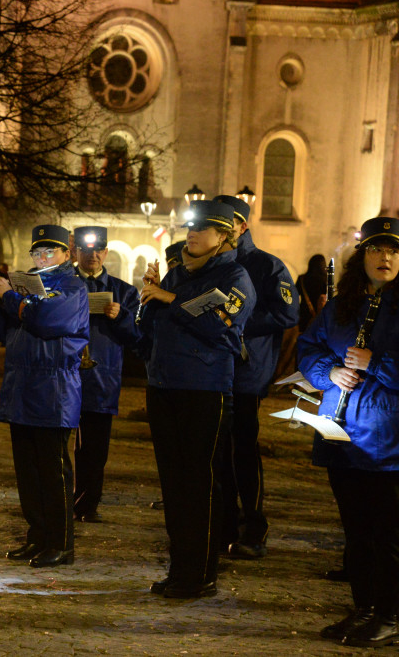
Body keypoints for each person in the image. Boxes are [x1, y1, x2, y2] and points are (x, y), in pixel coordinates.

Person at [137, 198, 254, 599]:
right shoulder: (175, 275)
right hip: (165, 386)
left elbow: (221, 326)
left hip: (204, 390)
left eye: (202, 229)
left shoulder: (235, 276)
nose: (192, 234)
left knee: (200, 484)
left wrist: (169, 300)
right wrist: (148, 296)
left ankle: (201, 573)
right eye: (190, 228)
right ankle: (181, 568)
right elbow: (149, 331)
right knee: (173, 484)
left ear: (224, 237)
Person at [297, 216, 399, 647]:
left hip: (388, 443)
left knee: (387, 534)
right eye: (377, 249)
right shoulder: (342, 304)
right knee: (356, 533)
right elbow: (308, 346)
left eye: (394, 251)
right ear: (363, 256)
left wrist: (373, 362)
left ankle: (391, 614)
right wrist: (331, 370)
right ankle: (364, 608)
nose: (386, 257)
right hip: (341, 435)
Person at [0, 224, 89, 568]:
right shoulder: (30, 284)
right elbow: (14, 335)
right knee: (28, 472)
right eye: (37, 253)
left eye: (49, 252)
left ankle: (61, 543)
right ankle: (38, 536)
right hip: (23, 389)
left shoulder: (72, 286)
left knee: (53, 474)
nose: (41, 259)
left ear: (66, 255)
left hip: (54, 392)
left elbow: (44, 319)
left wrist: (11, 297)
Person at [214, 195, 299, 560]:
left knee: (243, 449)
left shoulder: (267, 266)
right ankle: (223, 524)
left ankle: (254, 524)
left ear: (242, 226)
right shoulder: (211, 263)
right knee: (216, 450)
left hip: (246, 372)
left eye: (226, 224)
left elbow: (287, 313)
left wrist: (238, 321)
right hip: (211, 370)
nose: (220, 231)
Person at [71, 226, 141, 523]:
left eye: (99, 250)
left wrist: (120, 316)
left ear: (106, 252)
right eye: (87, 250)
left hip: (102, 375)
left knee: (95, 447)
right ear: (76, 252)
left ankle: (88, 503)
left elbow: (136, 337)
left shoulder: (124, 291)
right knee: (61, 446)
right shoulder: (63, 284)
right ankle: (64, 499)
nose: (93, 256)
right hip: (64, 374)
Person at [298, 253, 329, 332]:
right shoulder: (324, 280)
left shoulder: (301, 278)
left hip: (304, 314)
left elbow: (295, 295)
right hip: (319, 314)